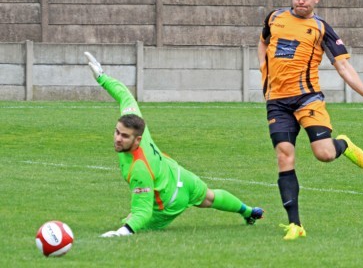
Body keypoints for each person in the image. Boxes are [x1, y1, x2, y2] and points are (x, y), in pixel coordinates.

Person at [257, 0, 363, 240]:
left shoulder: (321, 28)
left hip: (308, 99)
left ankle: (344, 145)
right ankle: (295, 224)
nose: (300, 1)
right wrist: (264, 72)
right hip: (277, 103)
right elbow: (262, 41)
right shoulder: (274, 18)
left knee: (324, 154)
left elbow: (342, 65)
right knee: (284, 156)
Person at [83, 52, 264, 237]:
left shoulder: (139, 169)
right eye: (117, 132)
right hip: (178, 175)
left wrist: (122, 231)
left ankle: (247, 212)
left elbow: (143, 212)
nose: (118, 138)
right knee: (210, 197)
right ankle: (249, 212)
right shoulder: (137, 125)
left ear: (137, 140)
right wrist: (101, 77)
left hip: (170, 202)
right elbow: (125, 96)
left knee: (132, 220)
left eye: (124, 136)